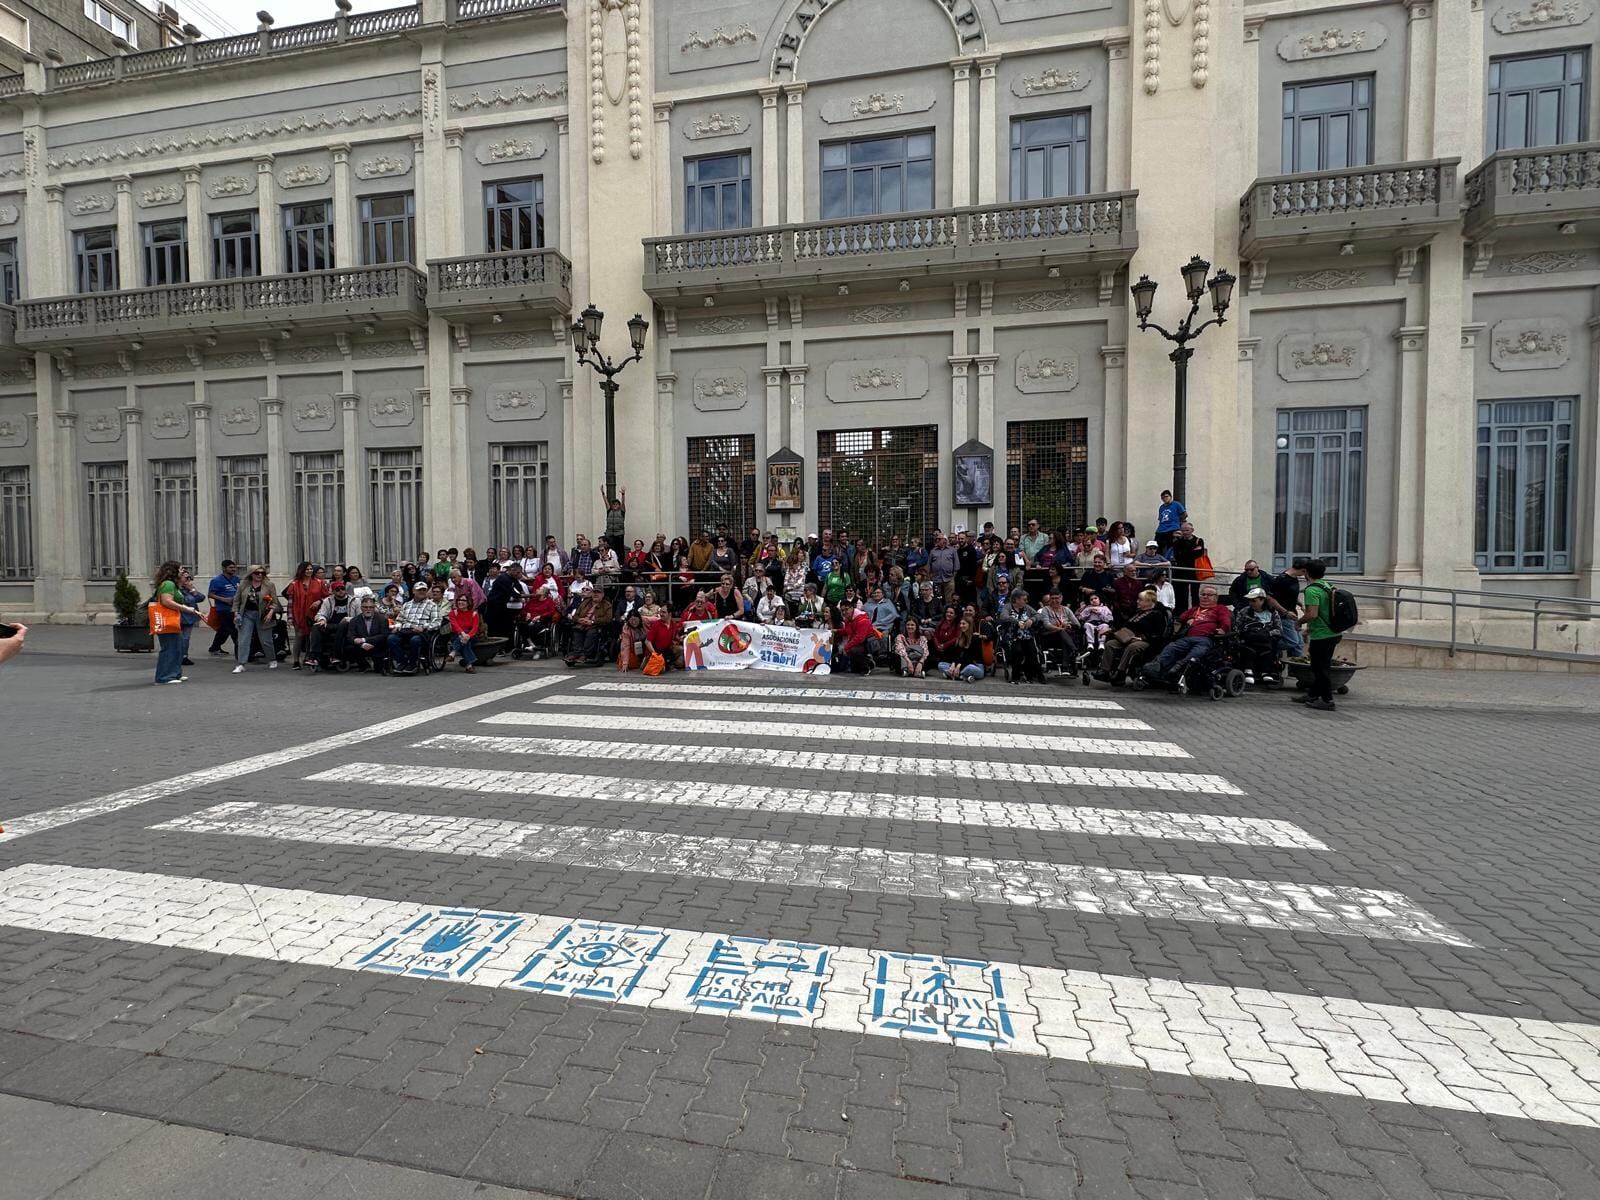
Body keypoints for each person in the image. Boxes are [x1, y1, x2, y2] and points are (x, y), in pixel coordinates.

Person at [1143, 585, 1233, 690]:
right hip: (1187, 638)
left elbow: (1226, 621)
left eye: (1209, 595)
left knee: (1198, 651)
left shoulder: (1220, 609)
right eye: (1203, 594)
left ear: (1216, 597)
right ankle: (1156, 667)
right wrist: (1188, 619)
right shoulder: (1194, 609)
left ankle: (1179, 666)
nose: (1205, 597)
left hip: (1205, 639)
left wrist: (1223, 629)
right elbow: (1180, 619)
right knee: (1171, 647)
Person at [1295, 559, 1341, 711]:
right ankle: (1313, 695)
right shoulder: (1326, 585)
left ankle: (1327, 700)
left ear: (1306, 573)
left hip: (1322, 635)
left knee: (1320, 668)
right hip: (1332, 632)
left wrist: (1300, 622)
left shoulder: (1311, 590)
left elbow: (1312, 614)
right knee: (1318, 666)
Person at [1099, 590, 1169, 686]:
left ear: (1148, 602)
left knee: (1132, 647)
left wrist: (1142, 638)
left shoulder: (1158, 614)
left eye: (1140, 600)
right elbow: (1125, 626)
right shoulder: (1138, 613)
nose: (1137, 601)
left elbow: (1158, 633)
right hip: (1128, 638)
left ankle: (1121, 673)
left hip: (1147, 641)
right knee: (1110, 644)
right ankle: (1105, 671)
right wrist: (1112, 631)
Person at [150, 560, 202, 684]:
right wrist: (186, 609)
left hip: (174, 619)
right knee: (169, 648)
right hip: (167, 619)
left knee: (177, 647)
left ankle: (175, 674)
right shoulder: (168, 584)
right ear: (173, 571)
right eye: (180, 569)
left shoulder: (173, 584)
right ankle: (164, 677)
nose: (182, 571)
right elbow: (167, 601)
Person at [231, 566, 278, 675]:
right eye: (257, 573)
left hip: (263, 614)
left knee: (266, 640)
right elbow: (236, 601)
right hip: (247, 614)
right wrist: (236, 614)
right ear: (251, 574)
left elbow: (275, 603)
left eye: (262, 573)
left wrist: (271, 613)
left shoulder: (269, 585)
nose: (260, 575)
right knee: (243, 639)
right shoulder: (243, 584)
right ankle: (241, 664)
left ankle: (272, 659)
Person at [283, 561, 328, 671]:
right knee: (299, 636)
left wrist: (319, 601)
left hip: (314, 613)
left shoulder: (319, 582)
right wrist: (289, 617)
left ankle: (308, 658)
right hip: (298, 614)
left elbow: (327, 597)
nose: (309, 571)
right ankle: (296, 660)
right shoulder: (294, 584)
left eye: (311, 569)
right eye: (307, 569)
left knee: (310, 637)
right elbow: (290, 602)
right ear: (302, 570)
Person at [387, 583, 440, 674]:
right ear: (414, 591)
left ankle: (412, 664)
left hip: (421, 631)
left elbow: (437, 622)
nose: (422, 592)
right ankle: (402, 662)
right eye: (419, 590)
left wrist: (423, 627)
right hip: (405, 630)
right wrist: (397, 626)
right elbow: (400, 619)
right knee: (391, 639)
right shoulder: (407, 604)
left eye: (424, 590)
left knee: (415, 640)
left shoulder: (432, 605)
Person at [1236, 588, 1283, 684]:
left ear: (1262, 600)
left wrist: (1267, 633)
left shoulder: (1272, 613)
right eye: (1249, 600)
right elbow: (1237, 627)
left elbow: (1279, 630)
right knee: (1248, 645)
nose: (1251, 603)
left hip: (1266, 639)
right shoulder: (1244, 612)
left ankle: (1266, 671)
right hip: (1249, 639)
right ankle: (1248, 670)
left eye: (1254, 600)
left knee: (1268, 645)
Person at [307, 581, 352, 671]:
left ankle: (335, 655)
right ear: (333, 592)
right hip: (331, 625)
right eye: (337, 589)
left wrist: (348, 619)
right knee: (316, 626)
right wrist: (322, 619)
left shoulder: (354, 601)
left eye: (342, 589)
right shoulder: (327, 601)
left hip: (347, 626)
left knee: (343, 624)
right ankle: (314, 657)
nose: (340, 591)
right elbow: (320, 614)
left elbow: (358, 617)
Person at [566, 587, 614, 665]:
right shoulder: (585, 602)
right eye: (594, 592)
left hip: (595, 625)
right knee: (577, 631)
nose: (596, 594)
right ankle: (575, 653)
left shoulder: (607, 605)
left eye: (598, 593)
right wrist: (579, 620)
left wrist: (592, 621)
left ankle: (585, 654)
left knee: (591, 632)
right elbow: (575, 615)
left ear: (602, 595)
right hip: (581, 624)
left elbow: (607, 618)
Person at [342, 595, 389, 672]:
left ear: (374, 608)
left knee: (378, 669)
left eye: (371, 607)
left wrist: (365, 640)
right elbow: (350, 636)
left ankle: (378, 663)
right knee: (349, 645)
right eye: (365, 607)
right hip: (360, 647)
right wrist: (362, 644)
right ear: (361, 608)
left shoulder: (382, 619)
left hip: (377, 645)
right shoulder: (354, 620)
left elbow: (384, 635)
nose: (368, 609)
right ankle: (363, 664)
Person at [1169, 522, 1208, 614]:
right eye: (1183, 530)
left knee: (1195, 593)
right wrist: (1190, 552)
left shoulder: (1199, 540)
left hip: (1195, 570)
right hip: (1182, 570)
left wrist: (1185, 553)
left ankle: (1195, 612)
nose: (1185, 532)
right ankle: (1182, 613)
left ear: (1192, 530)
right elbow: (1177, 555)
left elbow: (1198, 554)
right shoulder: (1178, 541)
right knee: (1182, 593)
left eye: (1187, 530)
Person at [206, 559, 241, 657]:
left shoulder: (236, 579)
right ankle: (239, 650)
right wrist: (224, 599)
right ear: (224, 568)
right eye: (231, 567)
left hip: (236, 607)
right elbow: (210, 594)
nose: (233, 569)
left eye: (234, 567)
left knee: (224, 630)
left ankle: (215, 647)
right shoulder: (216, 581)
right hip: (224, 609)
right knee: (234, 629)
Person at [938, 616, 986, 683]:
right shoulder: (960, 639)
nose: (961, 626)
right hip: (962, 665)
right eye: (960, 624)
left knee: (969, 668)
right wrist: (953, 664)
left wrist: (958, 666)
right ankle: (962, 676)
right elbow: (956, 655)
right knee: (941, 665)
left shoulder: (975, 639)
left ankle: (953, 675)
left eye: (964, 624)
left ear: (969, 625)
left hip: (975, 665)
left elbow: (970, 658)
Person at [178, 567, 205, 665]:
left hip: (189, 618)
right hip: (179, 617)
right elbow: (184, 601)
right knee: (179, 638)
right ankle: (178, 655)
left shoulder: (189, 589)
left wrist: (192, 590)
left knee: (186, 638)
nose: (188, 580)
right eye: (186, 578)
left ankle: (184, 656)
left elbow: (201, 598)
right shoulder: (177, 590)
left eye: (189, 578)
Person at [449, 596, 481, 674]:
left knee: (466, 638)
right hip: (456, 635)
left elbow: (475, 628)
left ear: (468, 602)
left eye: (463, 600)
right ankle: (469, 665)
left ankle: (453, 652)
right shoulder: (453, 613)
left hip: (471, 636)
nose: (460, 602)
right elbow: (454, 625)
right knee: (465, 642)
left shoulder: (474, 613)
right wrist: (463, 634)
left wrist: (468, 636)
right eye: (459, 600)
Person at [602, 485, 627, 552]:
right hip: (610, 533)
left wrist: (623, 494)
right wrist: (603, 493)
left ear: (619, 505)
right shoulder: (609, 511)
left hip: (619, 534)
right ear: (612, 505)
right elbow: (606, 502)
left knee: (620, 550)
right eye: (614, 504)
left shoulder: (622, 512)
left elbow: (623, 503)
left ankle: (620, 562)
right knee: (610, 549)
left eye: (617, 504)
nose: (615, 505)